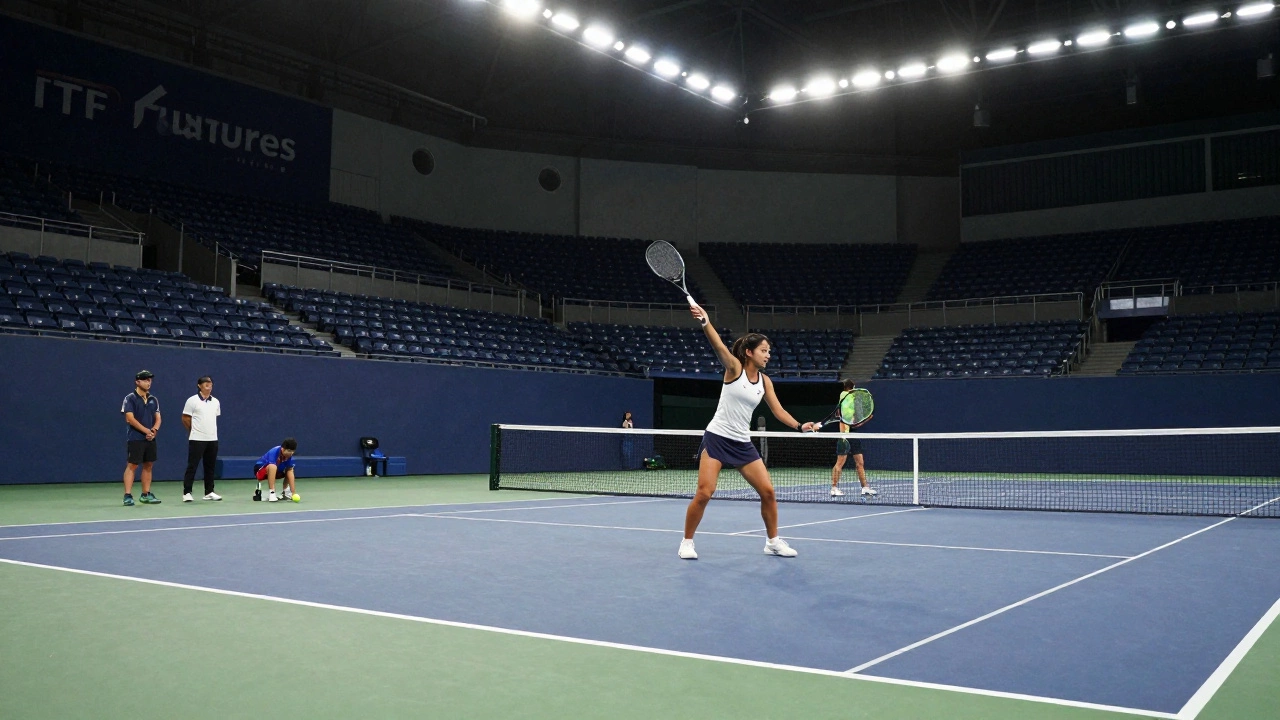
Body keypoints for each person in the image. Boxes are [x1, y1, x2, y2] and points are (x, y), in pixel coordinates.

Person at [679, 304, 816, 560]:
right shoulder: (734, 369)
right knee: (705, 492)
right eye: (763, 350)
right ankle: (687, 542)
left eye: (769, 351)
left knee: (768, 492)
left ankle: (772, 542)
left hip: (742, 442)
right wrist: (706, 321)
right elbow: (719, 346)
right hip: (717, 438)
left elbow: (778, 411)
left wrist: (799, 426)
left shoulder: (765, 381)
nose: (768, 355)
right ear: (749, 352)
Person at [830, 379, 877, 498]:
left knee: (860, 462)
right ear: (853, 387)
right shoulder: (845, 397)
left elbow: (854, 425)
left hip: (853, 434)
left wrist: (865, 419)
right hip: (844, 436)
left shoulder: (848, 403)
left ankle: (865, 487)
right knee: (840, 463)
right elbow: (845, 420)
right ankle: (834, 488)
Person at [121, 369, 162, 506]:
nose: (148, 382)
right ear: (137, 382)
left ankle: (145, 494)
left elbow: (158, 418)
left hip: (150, 438)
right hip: (135, 438)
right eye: (145, 380)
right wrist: (146, 431)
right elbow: (130, 418)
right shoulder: (130, 398)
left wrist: (154, 430)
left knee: (148, 465)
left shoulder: (153, 399)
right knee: (132, 465)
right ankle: (127, 495)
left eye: (149, 380)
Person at [181, 375, 222, 502]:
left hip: (212, 439)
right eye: (206, 383)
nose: (209, 385)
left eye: (210, 383)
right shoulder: (192, 400)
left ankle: (209, 492)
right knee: (192, 466)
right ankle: (187, 492)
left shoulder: (216, 402)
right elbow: (185, 418)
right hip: (197, 439)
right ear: (199, 385)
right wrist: (194, 431)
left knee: (210, 467)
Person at [255, 438, 298, 502]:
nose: (291, 453)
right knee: (273, 466)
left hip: (276, 472)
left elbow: (290, 472)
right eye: (289, 451)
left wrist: (293, 492)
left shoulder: (290, 457)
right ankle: (272, 493)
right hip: (260, 471)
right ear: (283, 449)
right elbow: (272, 467)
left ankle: (286, 491)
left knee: (289, 469)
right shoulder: (274, 452)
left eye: (293, 451)